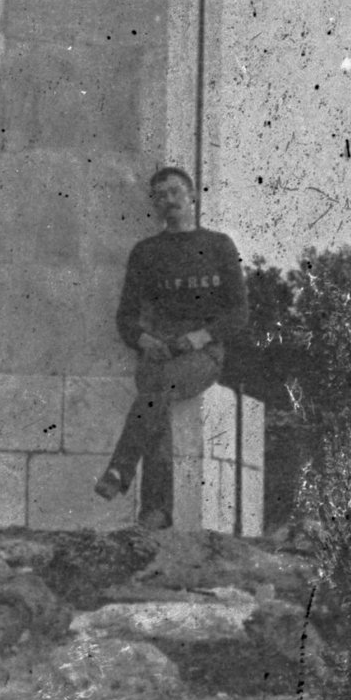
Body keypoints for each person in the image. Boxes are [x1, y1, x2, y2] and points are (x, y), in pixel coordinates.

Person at [95, 166, 248, 528]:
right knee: (156, 394)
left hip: (202, 354)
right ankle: (156, 514)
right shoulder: (146, 252)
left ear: (192, 196)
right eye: (160, 196)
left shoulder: (218, 246)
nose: (168, 201)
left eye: (175, 192)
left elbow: (239, 313)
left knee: (156, 389)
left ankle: (122, 470)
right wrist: (143, 339)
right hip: (158, 350)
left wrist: (201, 337)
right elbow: (126, 318)